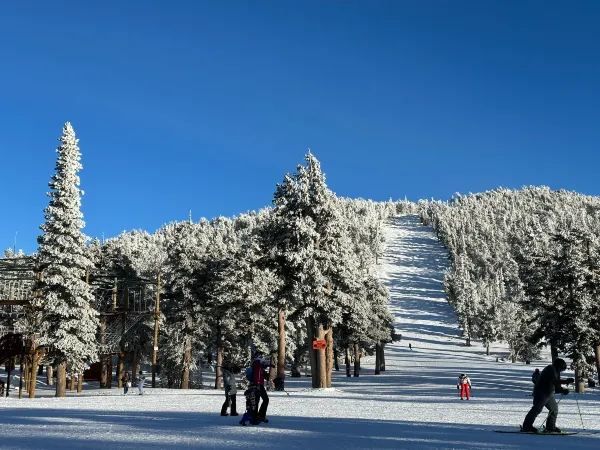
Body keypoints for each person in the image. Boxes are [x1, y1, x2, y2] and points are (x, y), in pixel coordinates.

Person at [522, 358, 574, 433]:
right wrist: (566, 381)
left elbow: (556, 387)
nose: (561, 371)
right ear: (558, 366)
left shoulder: (556, 371)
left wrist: (563, 390)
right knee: (537, 409)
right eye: (561, 369)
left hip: (549, 394)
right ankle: (527, 426)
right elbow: (554, 381)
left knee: (554, 409)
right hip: (541, 392)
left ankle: (550, 427)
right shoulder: (550, 369)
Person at [252, 354, 270, 423]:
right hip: (257, 384)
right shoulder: (257, 363)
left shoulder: (259, 364)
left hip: (259, 384)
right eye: (262, 358)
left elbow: (262, 373)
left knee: (264, 400)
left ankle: (260, 416)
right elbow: (258, 374)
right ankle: (256, 417)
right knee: (258, 400)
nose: (263, 359)